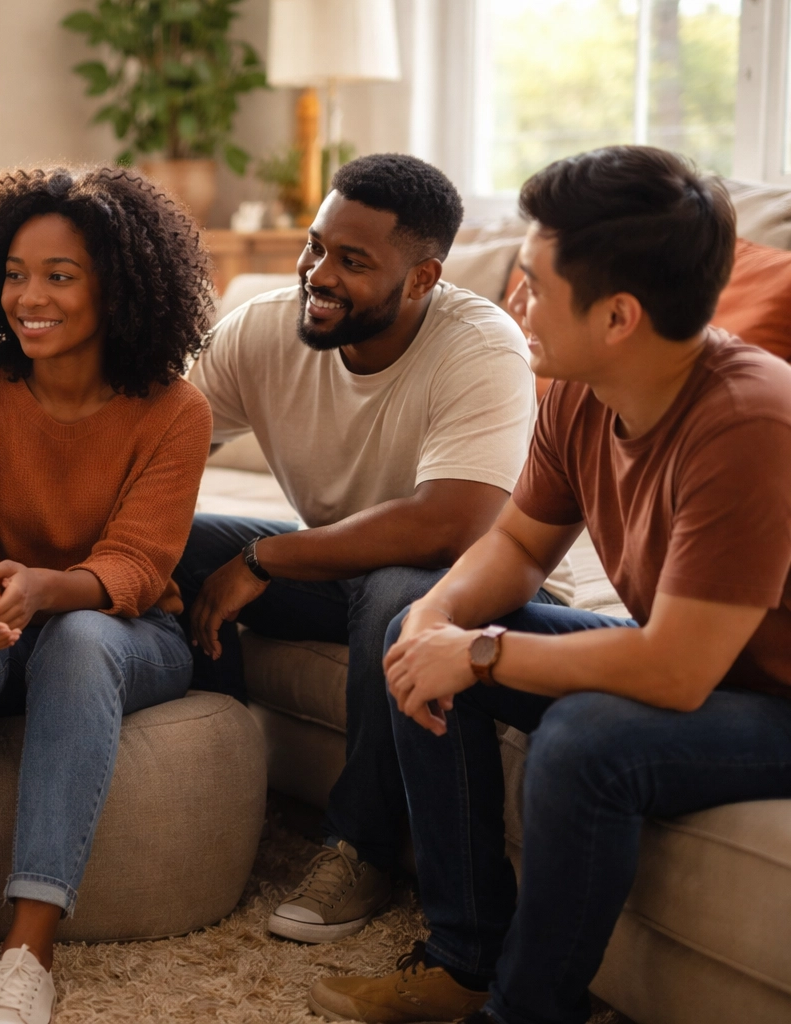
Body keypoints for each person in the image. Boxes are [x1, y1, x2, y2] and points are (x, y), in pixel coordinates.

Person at [309, 146, 791, 1024]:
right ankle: (464, 959)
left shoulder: (750, 420)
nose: (513, 301)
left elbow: (678, 671)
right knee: (413, 637)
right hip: (705, 667)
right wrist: (434, 618)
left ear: (617, 316)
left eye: (532, 282)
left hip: (773, 696)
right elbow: (522, 545)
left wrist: (482, 654)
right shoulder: (578, 385)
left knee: (584, 739)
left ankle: (525, 1011)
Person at [175, 153, 544, 942]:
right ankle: (216, 790)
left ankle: (360, 848)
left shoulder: (482, 347)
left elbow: (453, 525)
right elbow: (159, 442)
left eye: (353, 261)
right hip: (341, 564)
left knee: (394, 595)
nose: (318, 273)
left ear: (421, 279)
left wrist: (264, 561)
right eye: (316, 246)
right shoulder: (266, 328)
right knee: (178, 546)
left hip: (479, 580)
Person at [0, 167, 214, 1024]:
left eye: (60, 276)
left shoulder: (176, 410)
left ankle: (28, 954)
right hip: (6, 612)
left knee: (79, 639)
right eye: (15, 273)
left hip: (128, 632)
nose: (28, 297)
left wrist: (42, 588)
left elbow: (138, 569)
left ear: (119, 287)